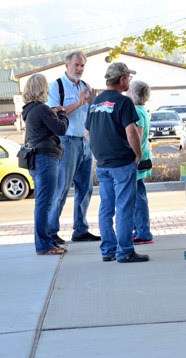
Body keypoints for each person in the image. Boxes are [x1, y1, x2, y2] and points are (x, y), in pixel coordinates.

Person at [85, 62, 149, 263]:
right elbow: (131, 132)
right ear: (122, 79)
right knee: (124, 207)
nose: (129, 81)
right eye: (128, 77)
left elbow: (87, 133)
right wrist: (137, 154)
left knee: (106, 207)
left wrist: (99, 152)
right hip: (122, 163)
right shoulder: (124, 102)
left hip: (103, 164)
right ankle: (125, 251)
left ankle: (108, 251)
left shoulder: (95, 103)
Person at [47, 50, 100, 245]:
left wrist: (92, 103)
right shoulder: (57, 87)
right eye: (76, 65)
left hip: (84, 142)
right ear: (67, 66)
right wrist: (79, 103)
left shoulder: (86, 86)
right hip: (66, 141)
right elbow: (54, 113)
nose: (79, 69)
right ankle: (51, 232)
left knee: (85, 189)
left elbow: (89, 114)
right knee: (61, 189)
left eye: (82, 65)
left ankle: (81, 230)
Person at [22, 74, 70, 255]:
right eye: (46, 87)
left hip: (37, 159)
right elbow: (61, 129)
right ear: (42, 89)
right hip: (45, 160)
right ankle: (44, 245)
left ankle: (47, 242)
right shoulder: (42, 109)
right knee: (44, 204)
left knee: (44, 203)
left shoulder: (29, 110)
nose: (49, 90)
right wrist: (62, 113)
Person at [127, 80, 154, 245]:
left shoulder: (136, 112)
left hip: (138, 160)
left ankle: (142, 231)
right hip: (143, 158)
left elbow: (137, 135)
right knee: (139, 195)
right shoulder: (142, 110)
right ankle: (141, 229)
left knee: (137, 198)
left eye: (129, 91)